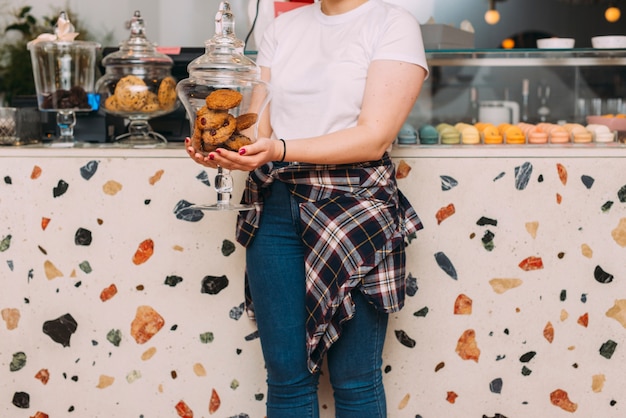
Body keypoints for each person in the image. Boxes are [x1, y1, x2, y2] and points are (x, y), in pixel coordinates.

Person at [186, 0, 428, 416]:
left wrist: (278, 149)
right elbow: (257, 122)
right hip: (275, 206)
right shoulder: (284, 27)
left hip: (355, 211)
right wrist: (228, 150)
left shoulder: (393, 23)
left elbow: (374, 137)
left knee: (355, 379)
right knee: (287, 379)